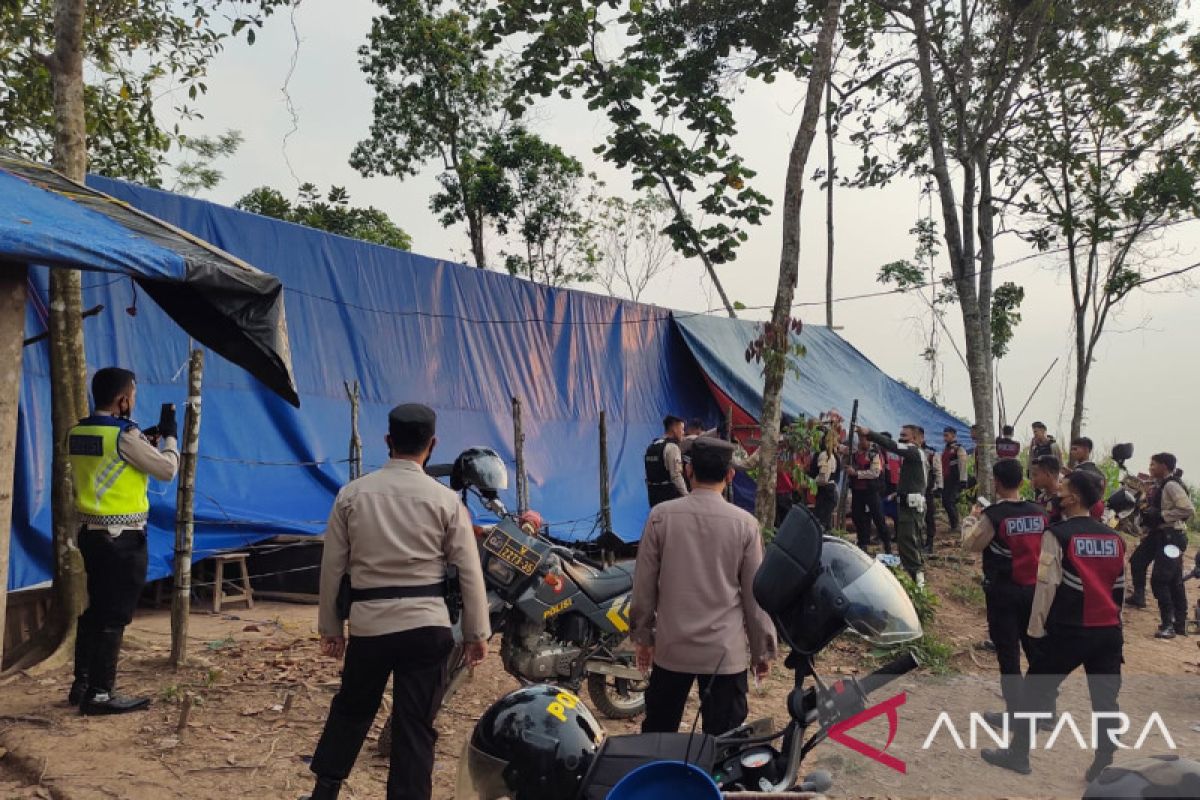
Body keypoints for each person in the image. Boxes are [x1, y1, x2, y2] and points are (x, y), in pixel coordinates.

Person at [304, 404, 490, 800]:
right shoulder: (446, 501)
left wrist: (331, 629)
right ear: (433, 444)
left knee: (352, 708)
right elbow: (469, 571)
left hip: (370, 627)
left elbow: (332, 568)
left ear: (387, 441)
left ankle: (325, 790)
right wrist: (476, 633)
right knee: (416, 725)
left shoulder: (352, 495)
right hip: (428, 628)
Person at [981, 471, 1127, 783]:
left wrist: (1036, 632)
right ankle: (1103, 762)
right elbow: (1119, 590)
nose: (1057, 491)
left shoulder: (1058, 534)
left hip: (1070, 630)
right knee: (1105, 701)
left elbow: (1045, 587)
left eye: (1063, 487)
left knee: (1035, 691)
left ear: (1073, 498)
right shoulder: (1115, 539)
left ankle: (1018, 754)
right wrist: (1116, 629)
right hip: (1109, 632)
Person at [630, 437, 777, 736]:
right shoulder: (745, 524)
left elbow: (644, 585)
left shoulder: (661, 516)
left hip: (672, 649)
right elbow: (755, 597)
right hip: (725, 653)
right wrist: (762, 650)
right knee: (723, 745)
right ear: (730, 474)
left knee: (658, 737)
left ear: (688, 470)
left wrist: (643, 637)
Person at [67, 367, 179, 715]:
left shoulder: (77, 431)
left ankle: (81, 684)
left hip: (90, 534)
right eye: (133, 394)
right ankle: (101, 694)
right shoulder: (125, 435)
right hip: (123, 539)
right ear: (123, 399)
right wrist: (171, 439)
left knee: (96, 610)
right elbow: (167, 469)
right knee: (115, 616)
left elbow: (107, 461)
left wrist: (142, 440)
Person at [961, 459, 1049, 722]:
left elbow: (971, 544)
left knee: (1009, 655)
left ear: (996, 483)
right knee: (1036, 650)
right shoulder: (1039, 512)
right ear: (1022, 482)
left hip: (1003, 593)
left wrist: (970, 519)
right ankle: (1043, 710)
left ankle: (1015, 714)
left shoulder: (994, 516)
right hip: (1034, 592)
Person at [861, 425, 927, 584]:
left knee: (908, 543)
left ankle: (918, 582)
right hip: (908, 505)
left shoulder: (913, 451)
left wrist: (869, 433)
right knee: (907, 543)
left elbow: (893, 445)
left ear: (915, 439)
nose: (901, 437)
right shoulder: (914, 456)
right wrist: (897, 492)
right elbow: (914, 481)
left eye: (905, 435)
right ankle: (916, 577)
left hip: (911, 508)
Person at [1140, 453, 1194, 638]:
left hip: (1171, 537)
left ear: (1164, 466)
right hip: (1168, 537)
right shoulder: (1162, 485)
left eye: (1153, 464)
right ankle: (1180, 623)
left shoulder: (1171, 485)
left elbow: (1187, 508)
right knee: (1174, 580)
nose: (1150, 467)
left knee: (1161, 580)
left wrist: (1163, 516)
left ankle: (1168, 624)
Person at [847, 437, 892, 554]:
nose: (863, 442)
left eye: (865, 440)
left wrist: (857, 473)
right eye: (861, 440)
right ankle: (863, 542)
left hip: (871, 491)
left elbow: (875, 472)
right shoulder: (854, 455)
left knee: (878, 517)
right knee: (857, 517)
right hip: (857, 491)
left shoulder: (874, 454)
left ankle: (887, 544)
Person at [645, 415, 688, 507]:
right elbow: (676, 476)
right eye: (682, 429)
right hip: (669, 499)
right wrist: (687, 496)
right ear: (674, 428)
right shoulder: (672, 447)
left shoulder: (652, 446)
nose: (683, 433)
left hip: (653, 498)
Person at [940, 427, 969, 534]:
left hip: (956, 480)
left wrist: (963, 480)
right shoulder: (946, 449)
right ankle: (953, 524)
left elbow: (963, 465)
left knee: (949, 501)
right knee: (945, 501)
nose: (944, 438)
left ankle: (955, 525)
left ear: (953, 436)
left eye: (946, 435)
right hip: (946, 480)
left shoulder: (959, 449)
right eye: (944, 435)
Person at [812, 429, 841, 530]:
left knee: (820, 524)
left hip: (826, 493)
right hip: (829, 492)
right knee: (825, 524)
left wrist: (809, 482)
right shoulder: (832, 455)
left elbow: (823, 478)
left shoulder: (825, 455)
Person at [923, 428, 943, 554]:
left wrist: (939, 487)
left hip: (927, 490)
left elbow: (938, 471)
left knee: (929, 517)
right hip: (913, 490)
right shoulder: (907, 451)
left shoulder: (931, 453)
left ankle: (929, 544)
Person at [1029, 455, 1063, 523]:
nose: (1032, 479)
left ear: (1048, 474)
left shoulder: (1064, 498)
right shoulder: (1041, 498)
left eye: (1035, 475)